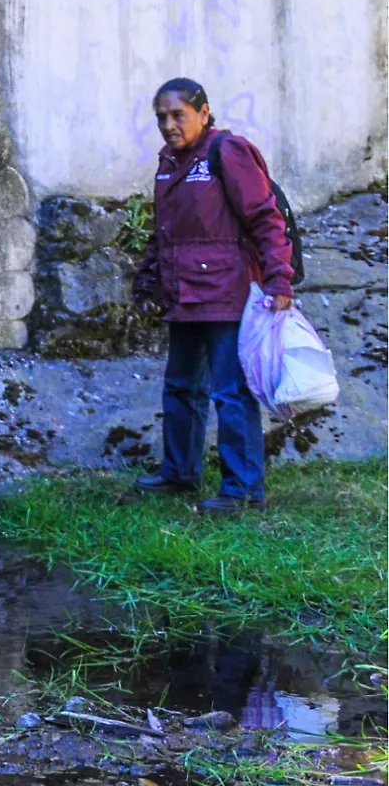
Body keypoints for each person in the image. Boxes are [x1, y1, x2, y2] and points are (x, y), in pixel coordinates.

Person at [130, 78, 294, 514]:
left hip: (227, 293)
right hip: (183, 296)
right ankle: (179, 473)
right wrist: (148, 280)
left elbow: (266, 219)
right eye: (161, 116)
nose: (168, 124)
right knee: (181, 386)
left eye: (178, 114)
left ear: (204, 113)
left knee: (229, 392)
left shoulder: (228, 152)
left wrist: (280, 279)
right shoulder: (168, 163)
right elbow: (164, 233)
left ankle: (243, 490)